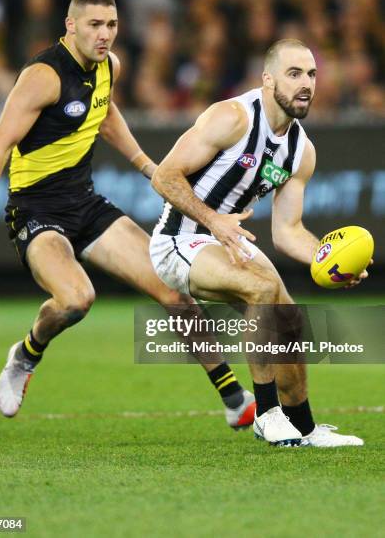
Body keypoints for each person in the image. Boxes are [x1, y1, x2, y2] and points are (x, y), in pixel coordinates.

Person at [0, 0, 256, 428]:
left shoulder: (109, 66)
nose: (105, 34)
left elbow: (105, 114)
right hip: (36, 211)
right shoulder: (43, 76)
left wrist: (149, 168)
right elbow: (0, 143)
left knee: (174, 289)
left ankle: (233, 398)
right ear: (70, 26)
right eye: (95, 24)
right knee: (76, 299)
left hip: (86, 204)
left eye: (111, 25)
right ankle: (26, 354)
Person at [150, 38, 369, 447]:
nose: (306, 83)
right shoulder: (231, 117)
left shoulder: (302, 151)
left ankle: (303, 428)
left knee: (289, 321)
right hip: (178, 238)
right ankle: (267, 415)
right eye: (294, 73)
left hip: (228, 240)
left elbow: (287, 231)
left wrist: (329, 259)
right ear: (268, 79)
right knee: (261, 287)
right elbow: (164, 176)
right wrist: (214, 220)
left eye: (312, 74)